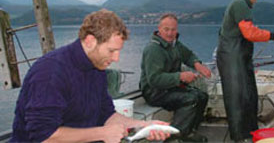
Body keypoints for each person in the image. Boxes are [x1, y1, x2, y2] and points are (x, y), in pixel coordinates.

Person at [10, 9, 170, 143]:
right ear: (90, 41)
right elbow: (42, 135)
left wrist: (143, 125)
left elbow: (106, 115)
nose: (116, 59)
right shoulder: (50, 72)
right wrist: (102, 133)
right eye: (111, 50)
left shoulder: (97, 68)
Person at [216, 0, 274, 142]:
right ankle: (240, 137)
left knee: (248, 95)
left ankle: (250, 133)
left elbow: (247, 31)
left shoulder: (242, 5)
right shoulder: (240, 4)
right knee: (237, 98)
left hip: (238, 58)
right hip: (232, 58)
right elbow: (250, 33)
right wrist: (272, 35)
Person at [139, 13, 211, 142]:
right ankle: (173, 138)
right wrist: (180, 77)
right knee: (191, 99)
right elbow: (154, 79)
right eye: (166, 29)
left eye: (173, 29)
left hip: (170, 88)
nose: (170, 33)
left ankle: (188, 132)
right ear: (159, 29)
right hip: (154, 92)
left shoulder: (174, 44)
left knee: (202, 96)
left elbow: (188, 55)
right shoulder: (153, 49)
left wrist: (197, 65)